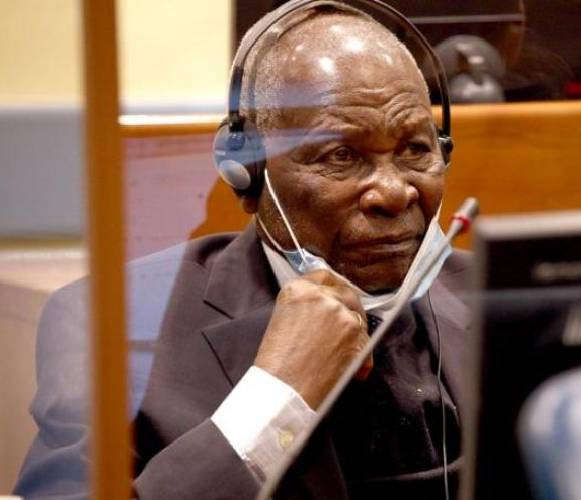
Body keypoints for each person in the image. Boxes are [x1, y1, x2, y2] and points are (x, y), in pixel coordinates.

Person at [15, 2, 470, 499]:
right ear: (246, 171)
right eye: (341, 155)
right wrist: (274, 399)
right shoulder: (107, 322)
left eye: (416, 150)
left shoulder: (491, 292)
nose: (393, 193)